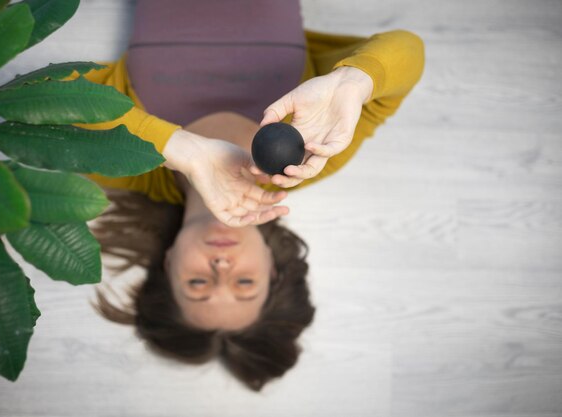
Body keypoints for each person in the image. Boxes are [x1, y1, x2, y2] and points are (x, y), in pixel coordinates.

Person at [79, 0, 425, 390]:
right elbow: (410, 48)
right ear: (271, 268)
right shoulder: (315, 155)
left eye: (198, 284)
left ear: (169, 264)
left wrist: (182, 149)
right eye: (244, 283)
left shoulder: (123, 162)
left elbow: (41, 99)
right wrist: (354, 81)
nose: (221, 267)